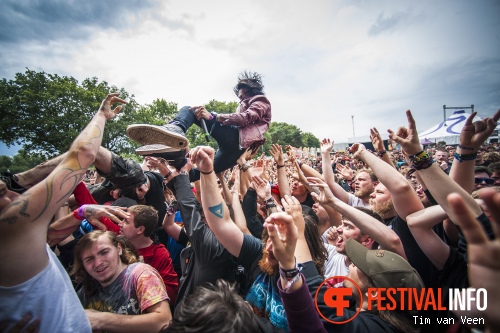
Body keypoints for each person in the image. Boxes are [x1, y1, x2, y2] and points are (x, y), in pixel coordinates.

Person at [0, 92, 126, 332]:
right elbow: (82, 155)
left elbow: (50, 237)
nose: (16, 197)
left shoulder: (17, 243)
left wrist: (81, 212)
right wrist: (101, 115)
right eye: (3, 193)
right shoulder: (8, 226)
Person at [190, 145, 326, 331]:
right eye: (269, 237)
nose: (270, 247)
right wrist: (207, 171)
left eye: (282, 241)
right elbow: (222, 222)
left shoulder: (313, 288)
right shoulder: (258, 255)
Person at [126, 71, 271, 181]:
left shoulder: (260, 100)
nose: (240, 98)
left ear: (252, 91)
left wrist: (213, 117)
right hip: (234, 150)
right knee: (196, 174)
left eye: (243, 95)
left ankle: (177, 127)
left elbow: (245, 118)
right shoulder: (245, 103)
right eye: (239, 96)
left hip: (236, 140)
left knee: (193, 110)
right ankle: (177, 156)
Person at [71, 230, 172, 332]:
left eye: (104, 252)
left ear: (119, 248)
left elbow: (164, 321)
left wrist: (101, 320)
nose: (98, 263)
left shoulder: (141, 275)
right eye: (89, 259)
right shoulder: (87, 290)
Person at [118, 204, 179, 306]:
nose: (120, 224)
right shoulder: (118, 245)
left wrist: (146, 277)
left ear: (140, 230)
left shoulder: (159, 254)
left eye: (126, 221)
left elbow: (172, 294)